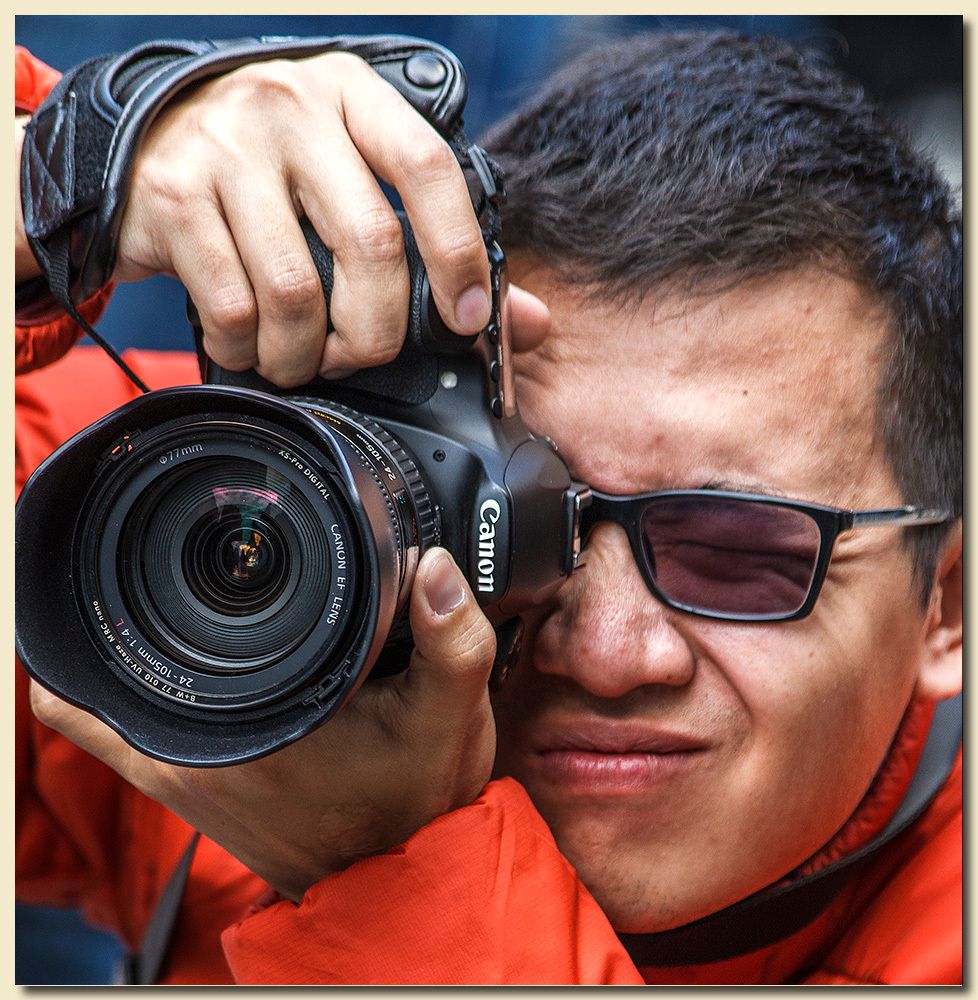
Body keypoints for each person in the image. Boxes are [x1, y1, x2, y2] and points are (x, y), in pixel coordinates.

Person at [15, 28, 962, 985]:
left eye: (735, 549)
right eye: (529, 513)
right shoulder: (242, 530)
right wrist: (53, 175)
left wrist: (386, 868)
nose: (603, 655)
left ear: (949, 604)